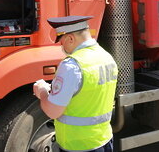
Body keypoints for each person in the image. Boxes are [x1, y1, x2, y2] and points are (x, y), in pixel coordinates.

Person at [33, 16, 118, 152]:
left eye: (62, 43)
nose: (62, 48)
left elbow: (53, 111)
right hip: (103, 139)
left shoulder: (72, 65)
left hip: (78, 145)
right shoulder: (107, 57)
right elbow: (88, 93)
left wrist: (42, 91)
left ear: (70, 39)